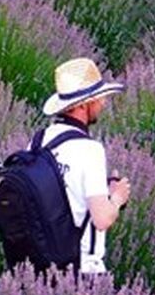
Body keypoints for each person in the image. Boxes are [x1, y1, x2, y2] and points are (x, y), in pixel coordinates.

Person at [38, 57, 130, 276]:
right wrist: (117, 197)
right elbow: (102, 219)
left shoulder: (38, 141)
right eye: (97, 99)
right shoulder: (89, 150)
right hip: (82, 270)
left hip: (39, 266)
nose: (103, 103)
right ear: (82, 105)